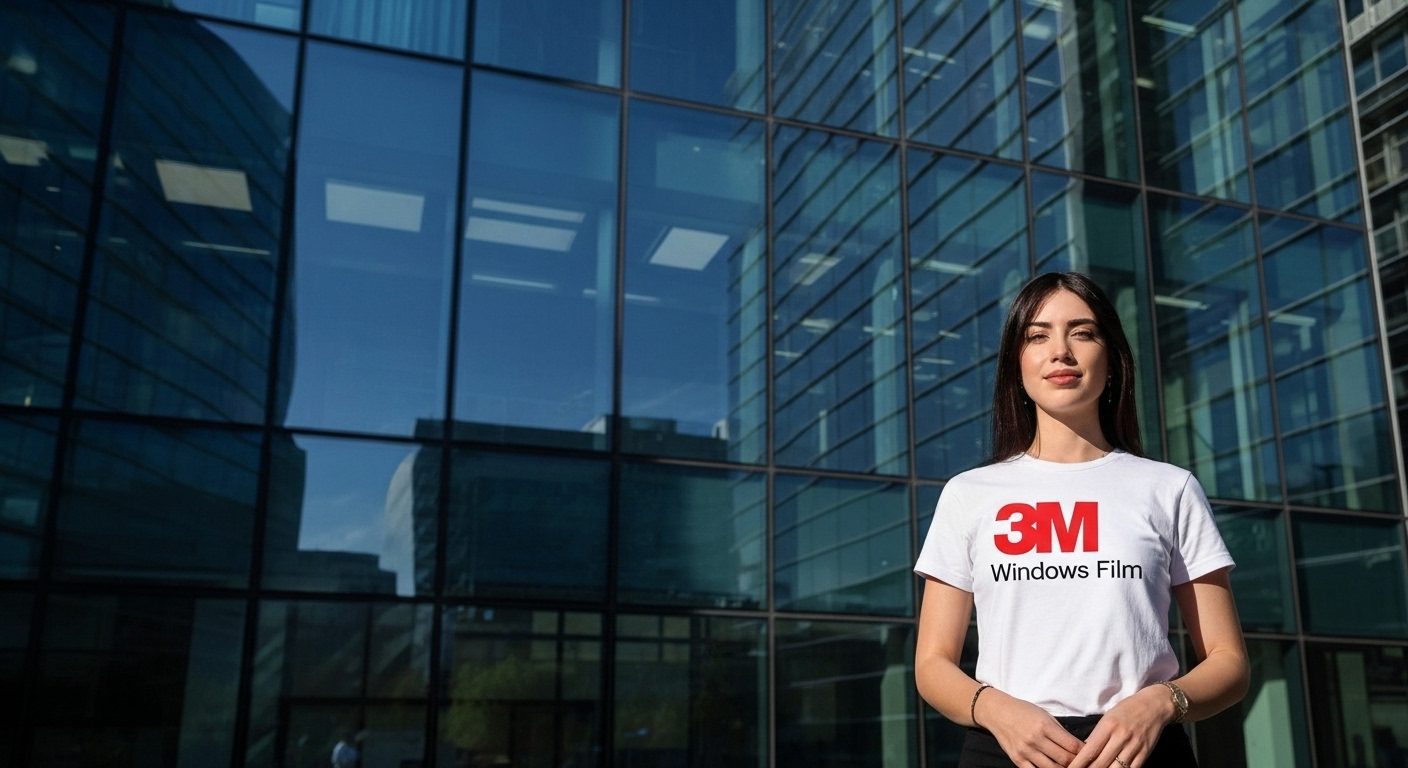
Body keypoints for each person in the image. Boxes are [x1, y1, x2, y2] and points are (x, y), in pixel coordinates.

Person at [914, 272, 1249, 768]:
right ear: (1017, 365)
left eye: (1083, 332)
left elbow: (1229, 661)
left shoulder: (1168, 488)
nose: (1061, 351)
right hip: (1008, 751)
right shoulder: (969, 494)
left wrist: (1159, 703)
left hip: (1142, 751)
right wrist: (998, 711)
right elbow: (932, 664)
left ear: (1110, 359)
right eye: (1038, 335)